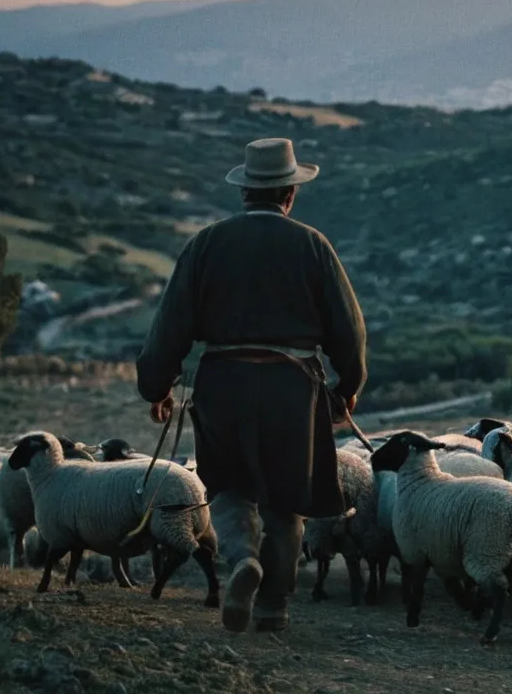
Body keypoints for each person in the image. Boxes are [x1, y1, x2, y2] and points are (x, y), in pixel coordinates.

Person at [135, 137, 367, 633]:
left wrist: (156, 387)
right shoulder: (312, 245)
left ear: (244, 193)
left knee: (228, 486)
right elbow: (348, 328)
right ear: (290, 193)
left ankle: (242, 559)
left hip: (223, 385)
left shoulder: (205, 244)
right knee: (286, 500)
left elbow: (169, 326)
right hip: (292, 388)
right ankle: (273, 606)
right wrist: (348, 386)